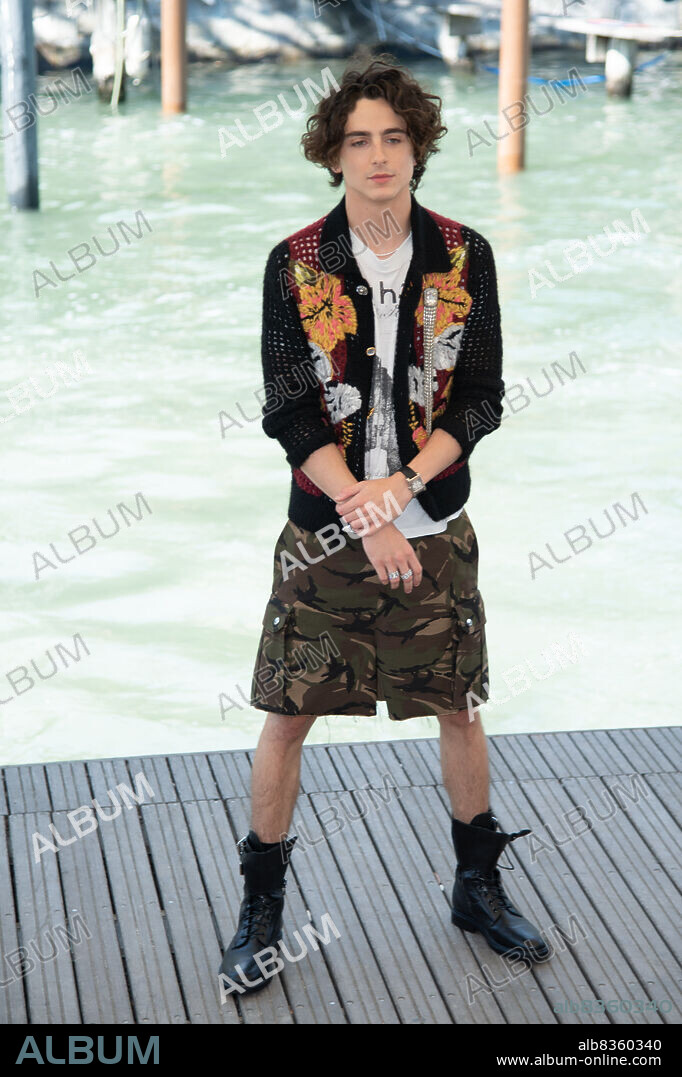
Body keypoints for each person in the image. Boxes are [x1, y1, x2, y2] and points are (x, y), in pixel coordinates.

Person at [219, 51, 549, 995]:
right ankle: (263, 906)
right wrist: (363, 516)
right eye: (358, 140)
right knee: (286, 717)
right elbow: (289, 414)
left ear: (418, 148)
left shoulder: (463, 254)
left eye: (393, 138)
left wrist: (397, 493)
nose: (377, 157)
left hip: (432, 520)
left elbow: (479, 400)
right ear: (333, 155)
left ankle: (476, 886)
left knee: (457, 706)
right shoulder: (296, 263)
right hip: (324, 532)